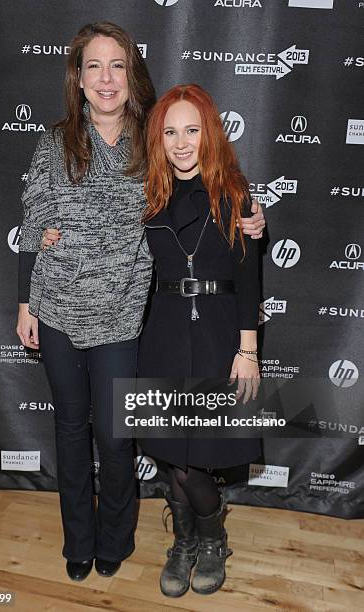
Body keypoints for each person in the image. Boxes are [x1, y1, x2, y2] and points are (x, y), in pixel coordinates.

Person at [18, 22, 265, 584]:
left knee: (116, 434)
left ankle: (119, 539)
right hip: (58, 308)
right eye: (93, 67)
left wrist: (252, 220)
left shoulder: (149, 143)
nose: (106, 79)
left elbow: (206, 199)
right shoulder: (56, 142)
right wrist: (25, 301)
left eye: (117, 66)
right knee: (71, 432)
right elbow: (32, 224)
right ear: (77, 80)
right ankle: (78, 542)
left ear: (132, 77)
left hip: (126, 315)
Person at [137, 84, 261, 597]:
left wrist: (248, 349)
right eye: (170, 132)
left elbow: (250, 276)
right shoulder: (149, 196)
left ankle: (211, 539)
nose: (182, 142)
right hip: (161, 332)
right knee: (173, 454)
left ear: (209, 133)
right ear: (158, 139)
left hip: (216, 333)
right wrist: (52, 234)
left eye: (192, 130)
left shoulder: (235, 194)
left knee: (196, 457)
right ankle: (185, 542)